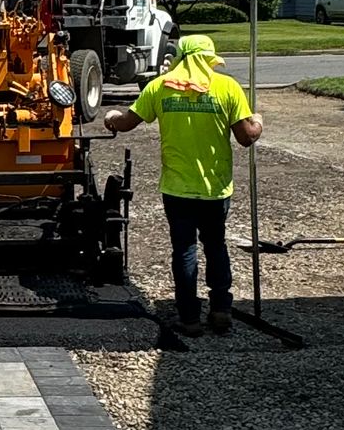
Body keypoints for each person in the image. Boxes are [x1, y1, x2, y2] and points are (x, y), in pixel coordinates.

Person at [103, 33, 263, 334]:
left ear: (181, 57)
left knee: (184, 250)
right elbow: (246, 137)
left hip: (177, 188)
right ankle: (220, 311)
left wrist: (111, 118)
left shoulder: (160, 88)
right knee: (216, 246)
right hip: (215, 188)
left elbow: (126, 122)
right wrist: (259, 122)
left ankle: (189, 317)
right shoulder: (227, 87)